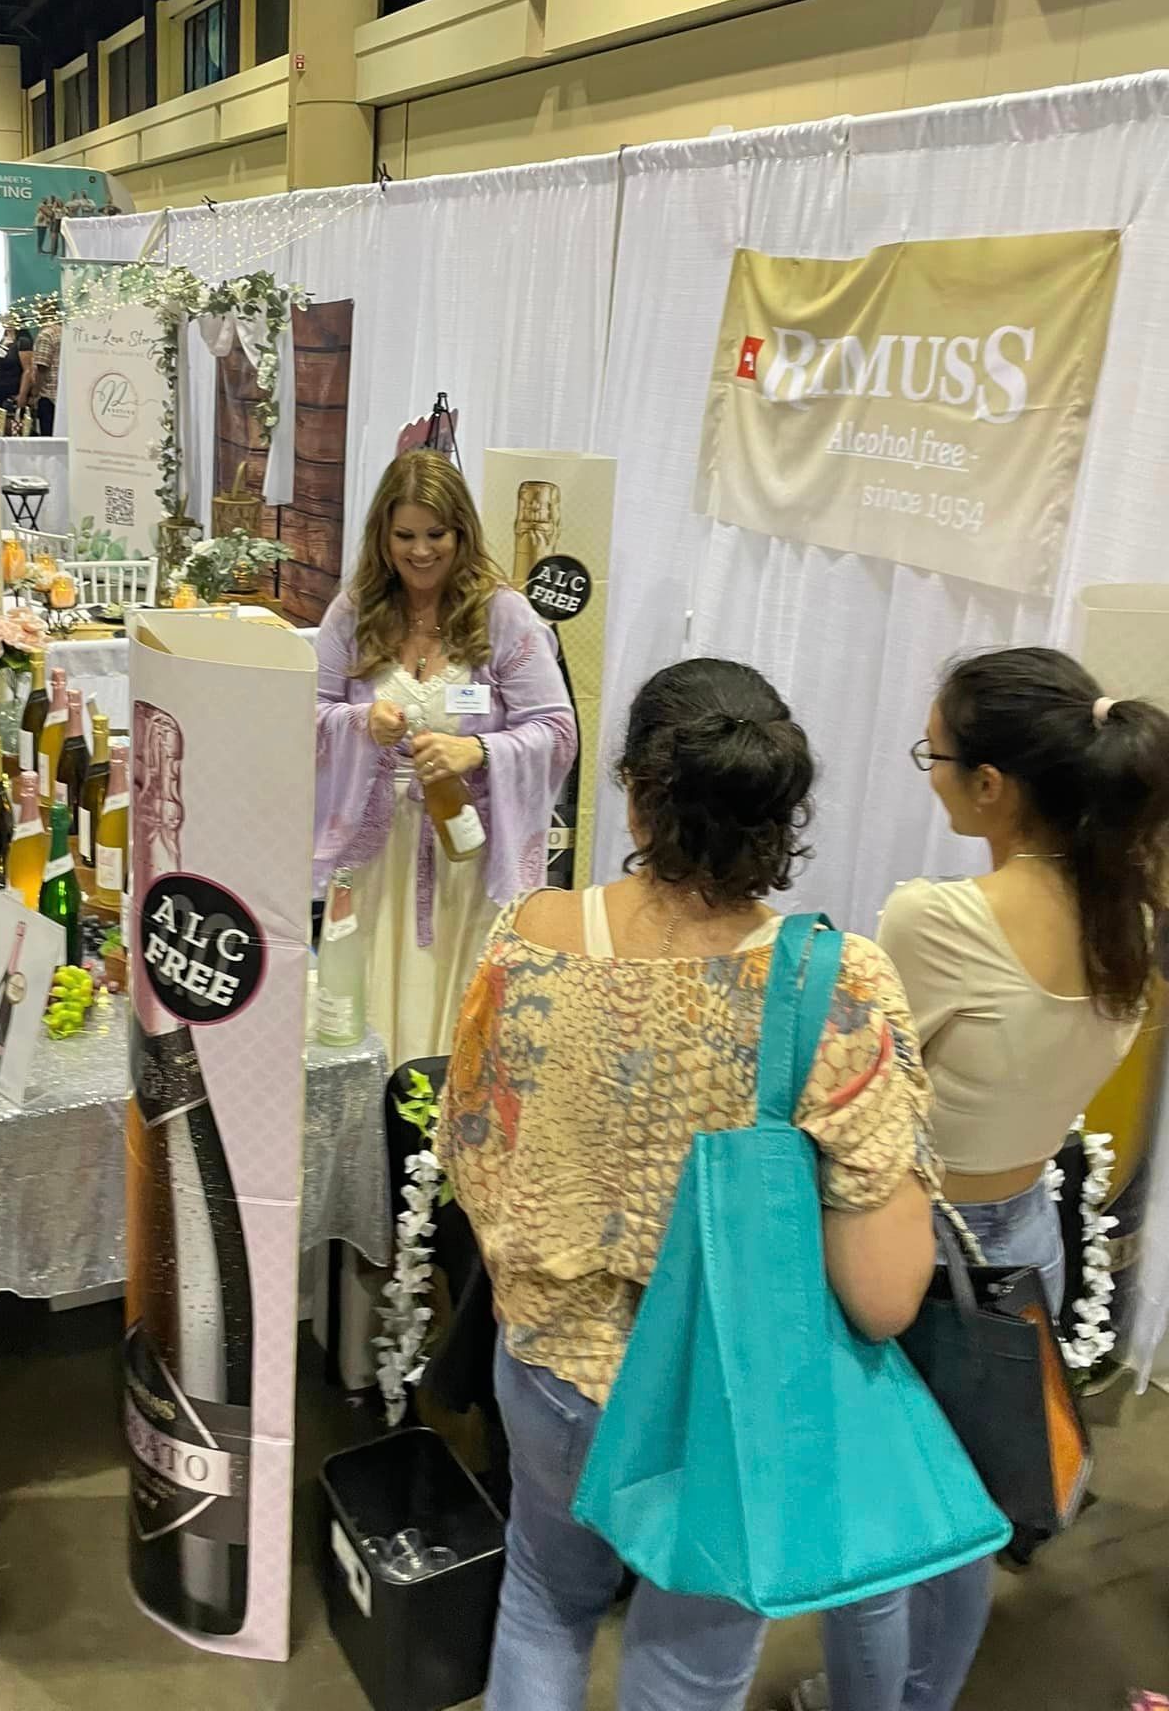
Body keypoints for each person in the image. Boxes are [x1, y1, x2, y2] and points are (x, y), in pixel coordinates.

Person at [439, 657, 938, 1711]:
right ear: (778, 811)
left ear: (631, 786)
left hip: (551, 1365)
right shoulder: (835, 982)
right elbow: (887, 1295)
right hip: (732, 1394)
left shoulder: (527, 940)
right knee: (692, 1660)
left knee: (543, 1591)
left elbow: (472, 1153)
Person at [808, 647, 1169, 1711]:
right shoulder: (1130, 924)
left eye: (938, 753)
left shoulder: (938, 918)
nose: (929, 771)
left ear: (993, 786)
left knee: (874, 1528)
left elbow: (856, 1092)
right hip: (1027, 1248)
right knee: (970, 1509)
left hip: (915, 1248)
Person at [315, 449, 575, 1064]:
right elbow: (306, 715)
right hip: (377, 863)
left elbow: (557, 730)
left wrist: (478, 749)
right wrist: (359, 724)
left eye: (437, 535)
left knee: (457, 1008)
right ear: (382, 534)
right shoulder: (353, 614)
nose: (421, 552)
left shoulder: (503, 616)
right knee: (371, 996)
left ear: (463, 532)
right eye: (404, 535)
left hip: (469, 860)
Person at [0, 317, 31, 418]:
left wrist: (22, 394)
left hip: (13, 393)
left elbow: (27, 370)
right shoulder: (0, 341)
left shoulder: (22, 342)